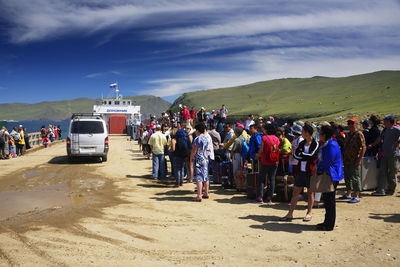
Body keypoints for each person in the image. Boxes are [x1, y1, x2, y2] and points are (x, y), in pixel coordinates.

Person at [280, 123, 319, 221]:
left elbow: (312, 156)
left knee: (310, 193)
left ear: (307, 133)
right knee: (295, 192)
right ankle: (290, 213)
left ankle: (309, 213)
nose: (301, 133)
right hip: (301, 171)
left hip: (310, 172)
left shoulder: (315, 143)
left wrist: (302, 155)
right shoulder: (302, 143)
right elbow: (296, 154)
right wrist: (303, 155)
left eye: (302, 131)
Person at [316, 125, 344, 231]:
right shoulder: (328, 144)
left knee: (330, 200)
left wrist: (318, 167)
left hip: (332, 175)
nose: (319, 135)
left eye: (320, 133)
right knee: (327, 200)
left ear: (324, 135)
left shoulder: (331, 145)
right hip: (329, 174)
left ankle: (329, 224)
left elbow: (328, 161)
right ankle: (326, 221)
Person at [370, 115, 400, 196]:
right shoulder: (385, 129)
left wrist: (398, 142)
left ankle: (391, 191)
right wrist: (372, 144)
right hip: (384, 154)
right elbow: (380, 138)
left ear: (390, 122)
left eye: (385, 121)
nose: (384, 122)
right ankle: (381, 190)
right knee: (382, 172)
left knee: (392, 173)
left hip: (394, 155)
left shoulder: (396, 129)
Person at [339, 118, 366, 203]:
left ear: (356, 124)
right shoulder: (348, 134)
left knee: (355, 177)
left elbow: (363, 147)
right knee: (347, 177)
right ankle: (348, 194)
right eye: (349, 123)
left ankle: (357, 195)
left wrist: (359, 159)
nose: (350, 125)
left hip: (354, 160)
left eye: (352, 123)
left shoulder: (359, 134)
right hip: (347, 159)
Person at [254, 124, 280, 204]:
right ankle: (269, 198)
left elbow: (261, 150)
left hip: (265, 161)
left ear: (267, 130)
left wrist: (257, 156)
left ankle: (260, 197)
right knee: (272, 179)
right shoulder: (276, 138)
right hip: (274, 161)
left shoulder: (264, 138)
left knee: (261, 179)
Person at [190, 123, 210, 201]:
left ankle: (199, 195)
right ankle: (206, 193)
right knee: (206, 176)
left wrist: (191, 158)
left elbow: (194, 150)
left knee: (199, 177)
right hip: (205, 158)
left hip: (199, 159)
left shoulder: (197, 139)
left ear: (198, 130)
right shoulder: (206, 138)